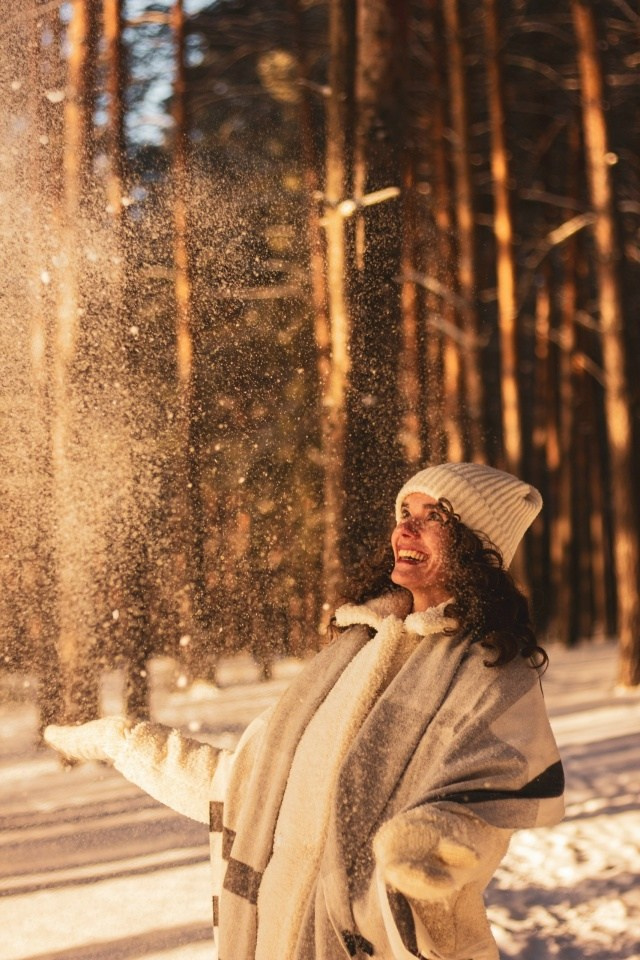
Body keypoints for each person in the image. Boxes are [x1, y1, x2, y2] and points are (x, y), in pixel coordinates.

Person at [45, 462, 564, 960]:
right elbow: (250, 785)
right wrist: (128, 742)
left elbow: (486, 806)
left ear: (478, 548)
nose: (407, 527)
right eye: (405, 511)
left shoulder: (491, 672)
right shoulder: (354, 652)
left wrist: (424, 842)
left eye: (435, 518)